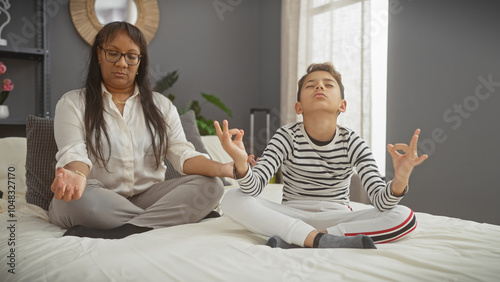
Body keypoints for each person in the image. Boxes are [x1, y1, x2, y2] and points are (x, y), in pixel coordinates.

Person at [48, 22, 232, 239]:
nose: (122, 63)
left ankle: (126, 231)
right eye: (113, 53)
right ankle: (172, 218)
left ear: (139, 61)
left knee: (212, 186)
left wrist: (223, 168)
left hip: (149, 196)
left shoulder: (162, 106)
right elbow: (74, 152)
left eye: (131, 56)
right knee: (71, 201)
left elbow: (183, 155)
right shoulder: (72, 103)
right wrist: (77, 175)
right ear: (99, 54)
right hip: (98, 196)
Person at [215, 62, 428, 249]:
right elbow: (253, 188)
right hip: (291, 213)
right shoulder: (285, 136)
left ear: (342, 105)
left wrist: (400, 179)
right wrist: (242, 164)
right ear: (299, 107)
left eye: (328, 84)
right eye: (310, 85)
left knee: (405, 216)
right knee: (232, 199)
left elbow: (382, 203)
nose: (319, 87)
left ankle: (306, 239)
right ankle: (313, 238)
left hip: (337, 216)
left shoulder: (354, 142)